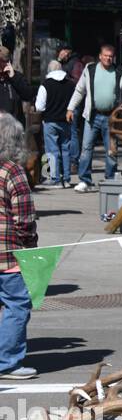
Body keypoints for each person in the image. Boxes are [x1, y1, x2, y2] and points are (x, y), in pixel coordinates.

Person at [0, 115, 37, 379]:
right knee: (17, 305)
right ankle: (7, 361)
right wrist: (30, 245)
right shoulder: (13, 171)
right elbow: (24, 217)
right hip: (8, 253)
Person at [67, 43, 122, 191]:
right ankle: (85, 181)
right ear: (100, 56)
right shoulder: (90, 69)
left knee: (112, 150)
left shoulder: (120, 71)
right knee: (86, 148)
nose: (108, 58)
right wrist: (70, 108)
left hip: (112, 118)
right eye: (105, 56)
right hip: (92, 116)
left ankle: (110, 179)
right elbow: (79, 90)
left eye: (111, 56)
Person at [35, 59, 76, 188]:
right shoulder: (70, 84)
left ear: (49, 70)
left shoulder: (45, 85)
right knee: (66, 150)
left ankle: (55, 178)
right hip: (66, 121)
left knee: (52, 151)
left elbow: (39, 107)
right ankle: (67, 178)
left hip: (50, 121)